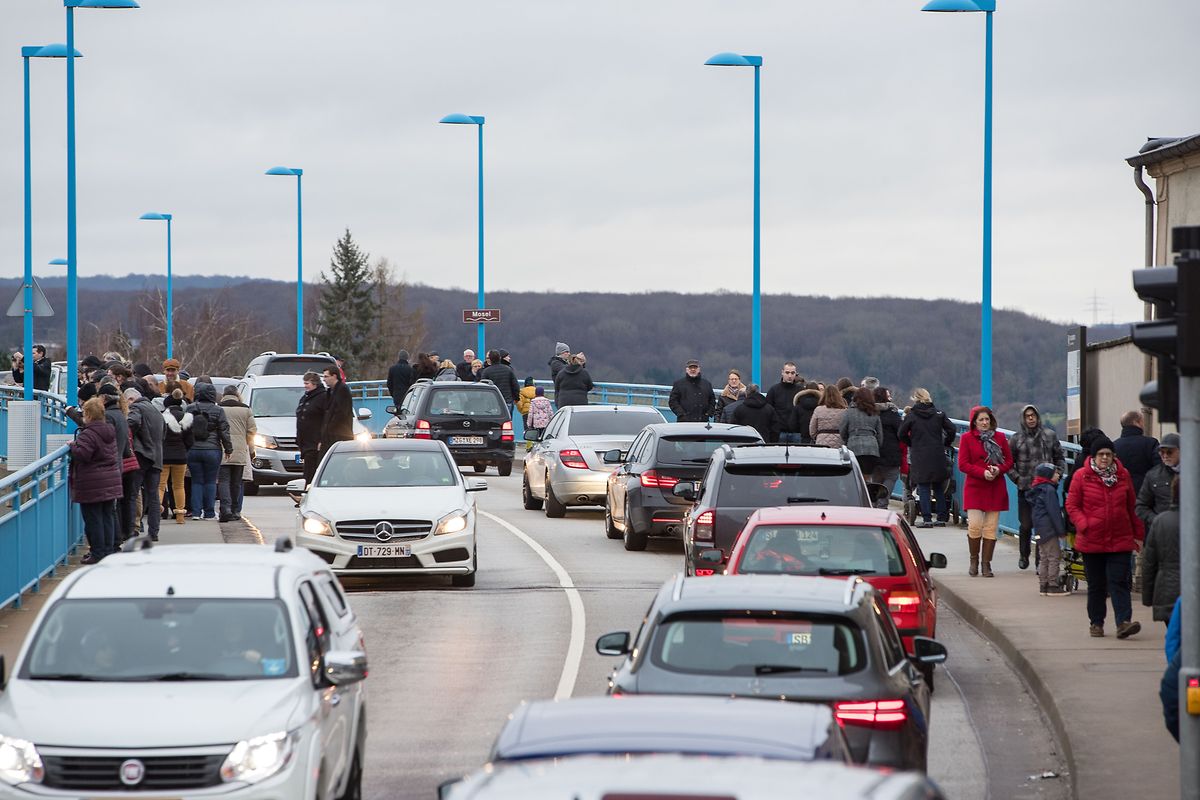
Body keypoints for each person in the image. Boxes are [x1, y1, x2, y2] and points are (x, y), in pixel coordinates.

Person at [1065, 435, 1144, 639]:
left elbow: (1131, 506)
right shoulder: (1082, 476)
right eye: (1101, 454)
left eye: (1108, 454)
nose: (1105, 458)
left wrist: (1138, 534)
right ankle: (1096, 623)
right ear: (1094, 456)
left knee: (1119, 582)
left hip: (1120, 538)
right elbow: (1072, 505)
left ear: (1113, 456)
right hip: (1092, 540)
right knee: (1097, 585)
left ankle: (1123, 623)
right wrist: (1084, 524)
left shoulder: (1123, 475)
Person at [1006, 404, 1067, 571]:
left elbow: (1060, 458)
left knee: (1043, 526)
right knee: (1026, 524)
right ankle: (1024, 554)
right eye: (1028, 416)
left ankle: (1040, 560)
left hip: (1046, 489)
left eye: (1033, 415)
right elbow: (1008, 463)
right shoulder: (1016, 439)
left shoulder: (1049, 435)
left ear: (1038, 417)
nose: (1031, 418)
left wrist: (1057, 474)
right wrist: (1017, 479)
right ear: (1023, 419)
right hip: (1025, 488)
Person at [958, 406, 1013, 576]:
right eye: (981, 419)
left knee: (990, 527)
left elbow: (1009, 461)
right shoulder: (966, 438)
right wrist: (982, 472)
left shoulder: (1000, 437)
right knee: (975, 525)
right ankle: (973, 560)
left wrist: (998, 469)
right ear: (974, 422)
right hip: (975, 487)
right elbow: (963, 464)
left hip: (995, 487)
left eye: (987, 419)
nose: (984, 422)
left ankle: (986, 564)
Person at [69, 397, 122, 564]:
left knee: (94, 519)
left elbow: (83, 454)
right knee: (107, 517)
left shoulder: (88, 433)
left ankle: (97, 553)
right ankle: (107, 550)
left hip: (92, 483)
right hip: (110, 480)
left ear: (88, 414)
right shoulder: (109, 430)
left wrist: (73, 446)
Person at [897, 388, 957, 529]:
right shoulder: (938, 414)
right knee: (938, 486)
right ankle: (941, 517)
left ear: (915, 399)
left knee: (923, 486)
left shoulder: (912, 415)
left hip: (920, 454)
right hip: (937, 453)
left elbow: (901, 433)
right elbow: (952, 429)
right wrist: (946, 442)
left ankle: (927, 519)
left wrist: (911, 442)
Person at [186, 381, 233, 521]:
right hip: (212, 449)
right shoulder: (218, 410)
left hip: (193, 449)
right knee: (210, 481)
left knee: (196, 481)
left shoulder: (189, 408)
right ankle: (209, 513)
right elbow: (224, 431)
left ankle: (196, 512)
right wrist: (228, 448)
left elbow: (185, 429)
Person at [125, 386, 164, 542]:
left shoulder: (136, 408)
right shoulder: (157, 412)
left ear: (131, 399)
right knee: (153, 495)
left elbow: (132, 422)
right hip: (157, 457)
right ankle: (154, 532)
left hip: (141, 456)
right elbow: (163, 434)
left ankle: (130, 529)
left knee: (132, 494)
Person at [1142, 477, 1180, 627]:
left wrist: (1148, 596)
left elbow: (1149, 563)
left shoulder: (1161, 521)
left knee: (1174, 636)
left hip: (1167, 591)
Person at [218, 385, 256, 523]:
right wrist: (249, 447)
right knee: (236, 482)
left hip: (223, 449)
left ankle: (225, 509)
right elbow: (252, 430)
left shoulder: (219, 408)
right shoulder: (245, 409)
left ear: (224, 395)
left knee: (223, 481)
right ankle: (235, 511)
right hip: (240, 450)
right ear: (237, 395)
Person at [1029, 462, 1069, 595]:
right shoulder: (1049, 490)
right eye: (1056, 473)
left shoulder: (1038, 489)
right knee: (1054, 556)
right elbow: (1054, 512)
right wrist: (1061, 531)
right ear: (1048, 475)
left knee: (1044, 557)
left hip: (1039, 529)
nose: (1059, 475)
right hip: (1049, 529)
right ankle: (1052, 585)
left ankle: (1043, 585)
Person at [158, 389, 192, 525]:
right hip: (180, 456)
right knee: (178, 486)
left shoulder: (162, 417)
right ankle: (180, 516)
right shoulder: (187, 417)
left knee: (160, 486)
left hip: (164, 456)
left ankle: (157, 511)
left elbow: (158, 437)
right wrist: (184, 449)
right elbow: (190, 440)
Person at [1136, 432, 1179, 531]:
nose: (1165, 456)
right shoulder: (1153, 475)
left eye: (1169, 452)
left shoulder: (1193, 474)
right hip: (1164, 531)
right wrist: (1157, 521)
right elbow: (1141, 506)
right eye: (1161, 452)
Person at [1111, 409, 1159, 494]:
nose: (1143, 425)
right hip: (1146, 491)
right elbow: (1158, 469)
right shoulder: (1151, 443)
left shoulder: (1113, 446)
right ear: (1136, 422)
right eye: (1142, 422)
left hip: (1121, 492)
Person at [871, 387, 904, 508]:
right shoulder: (892, 413)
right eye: (889, 396)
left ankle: (873, 504)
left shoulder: (869, 411)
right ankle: (882, 504)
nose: (891, 398)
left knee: (876, 479)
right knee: (891, 477)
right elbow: (900, 431)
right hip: (891, 452)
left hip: (873, 451)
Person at [839, 388, 883, 477]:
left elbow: (842, 431)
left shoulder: (849, 412)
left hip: (853, 447)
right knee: (867, 477)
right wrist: (876, 445)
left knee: (855, 476)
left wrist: (848, 440)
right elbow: (880, 435)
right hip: (872, 449)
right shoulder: (874, 413)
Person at [296, 371, 328, 486]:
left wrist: (321, 439)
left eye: (307, 383)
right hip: (306, 441)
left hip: (315, 441)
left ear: (315, 384)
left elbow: (326, 420)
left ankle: (308, 489)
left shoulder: (323, 397)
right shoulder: (305, 398)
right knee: (308, 469)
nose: (305, 386)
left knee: (311, 470)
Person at [320, 366, 355, 461]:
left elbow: (341, 413)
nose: (324, 379)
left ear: (334, 376)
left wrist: (329, 428)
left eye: (326, 376)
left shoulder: (342, 389)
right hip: (330, 436)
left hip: (339, 436)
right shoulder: (330, 391)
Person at [765, 363, 804, 443]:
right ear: (782, 372)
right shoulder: (774, 390)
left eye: (792, 373)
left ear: (795, 374)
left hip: (797, 433)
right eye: (787, 372)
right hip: (779, 433)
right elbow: (768, 411)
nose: (790, 376)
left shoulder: (801, 391)